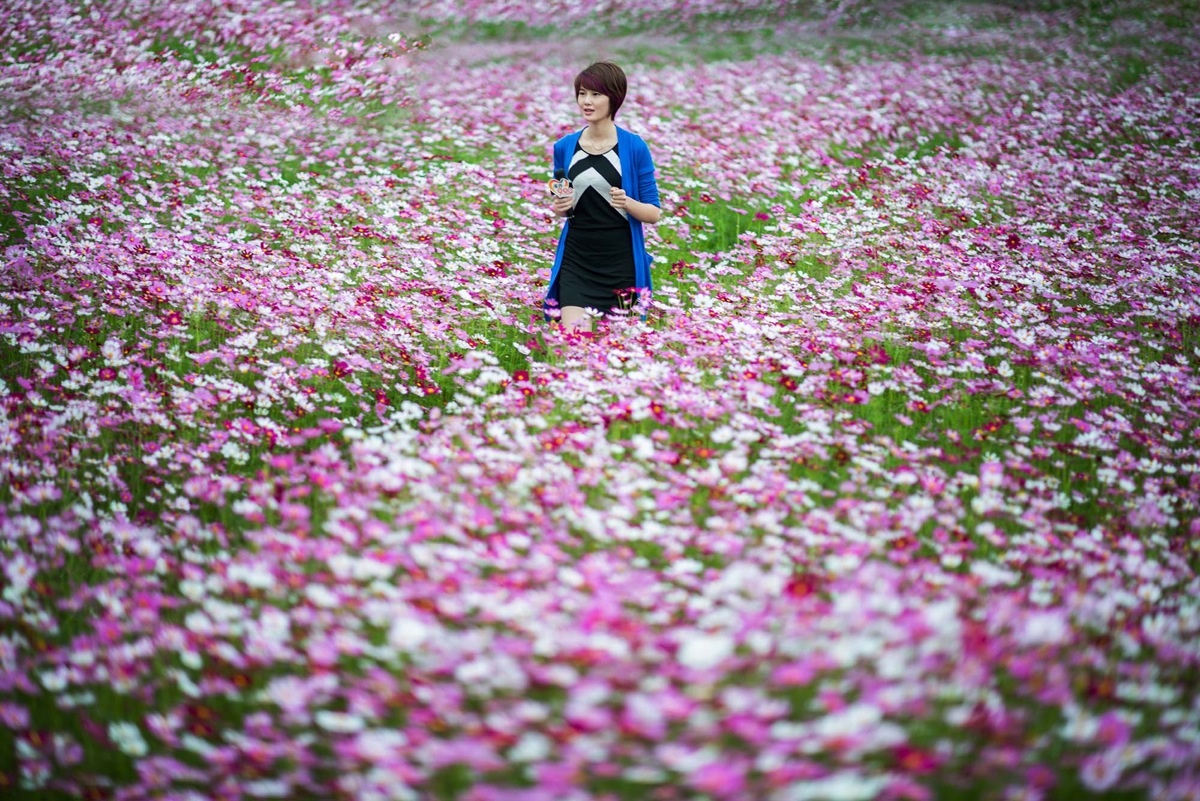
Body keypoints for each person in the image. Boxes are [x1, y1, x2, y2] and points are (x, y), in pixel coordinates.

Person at [546, 61, 661, 331]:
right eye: (582, 93)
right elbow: (562, 205)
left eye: (596, 94)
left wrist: (627, 202)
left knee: (619, 354)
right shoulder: (564, 146)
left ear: (614, 98)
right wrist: (560, 206)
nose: (587, 101)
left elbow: (653, 213)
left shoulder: (634, 147)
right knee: (573, 343)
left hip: (621, 262)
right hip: (577, 258)